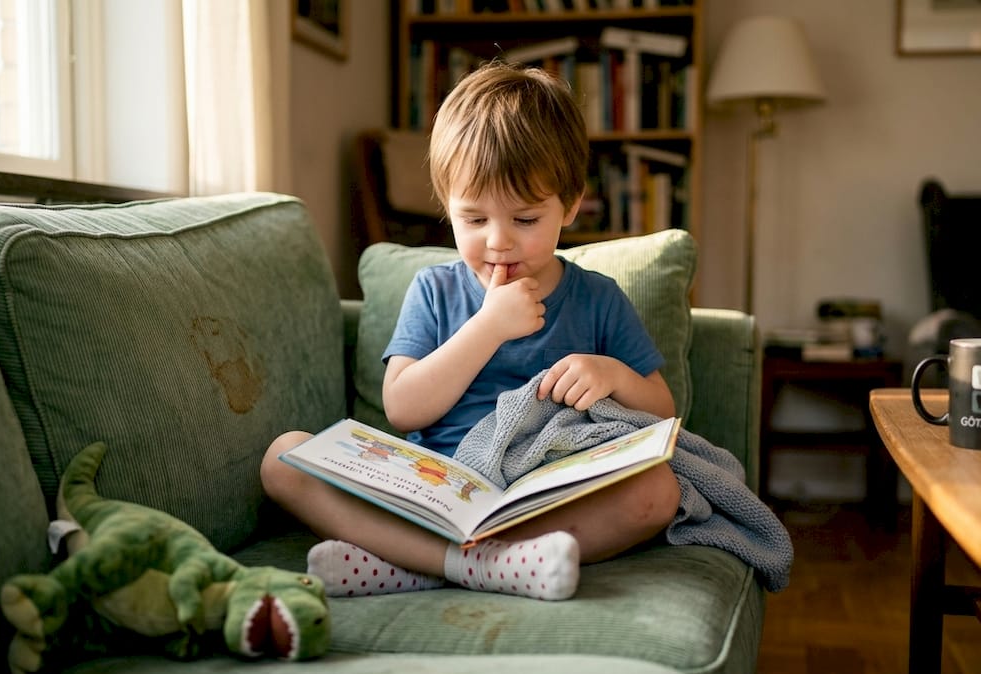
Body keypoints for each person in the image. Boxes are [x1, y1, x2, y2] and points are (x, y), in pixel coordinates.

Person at [260, 62, 680, 601]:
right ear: (447, 206)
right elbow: (404, 409)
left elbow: (662, 411)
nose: (498, 242)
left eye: (525, 220)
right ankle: (481, 564)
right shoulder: (434, 290)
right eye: (474, 220)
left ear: (570, 204)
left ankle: (415, 563)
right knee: (284, 458)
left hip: (541, 486)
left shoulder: (597, 299)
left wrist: (612, 374)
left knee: (656, 491)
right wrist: (487, 327)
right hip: (434, 483)